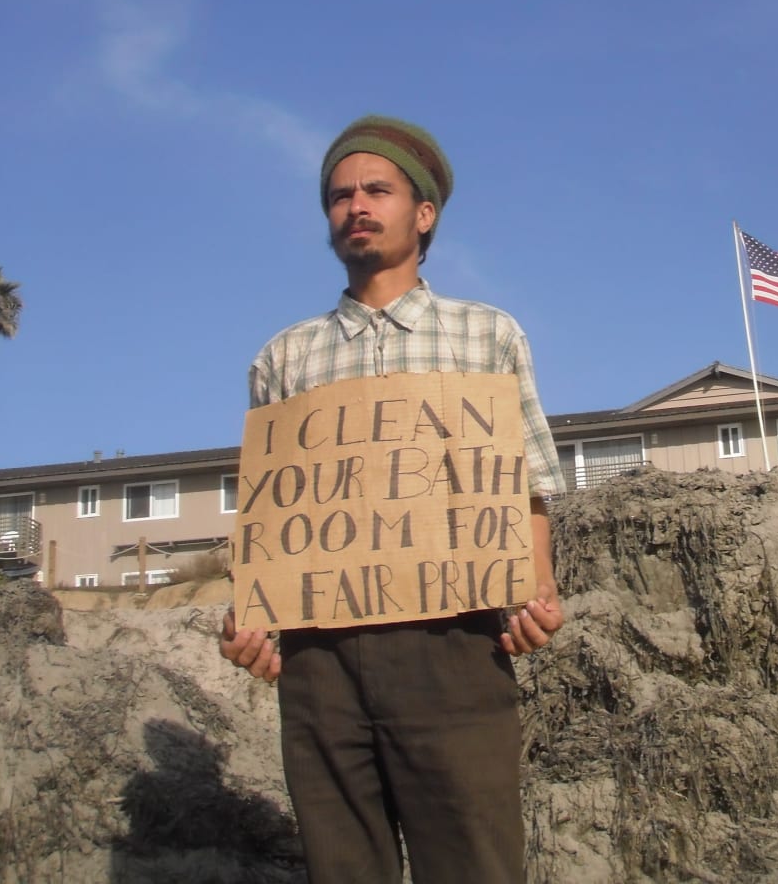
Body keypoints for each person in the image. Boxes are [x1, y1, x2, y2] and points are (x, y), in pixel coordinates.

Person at [218, 114, 565, 884]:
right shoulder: (283, 356)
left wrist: (535, 588)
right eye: (339, 196)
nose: (356, 206)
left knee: (474, 861)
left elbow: (528, 486)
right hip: (321, 665)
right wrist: (249, 616)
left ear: (425, 212)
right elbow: (272, 516)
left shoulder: (488, 335)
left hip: (456, 647)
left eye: (377, 189)